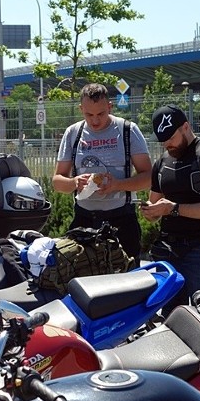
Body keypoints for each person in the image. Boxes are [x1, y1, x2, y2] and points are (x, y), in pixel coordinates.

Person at [140, 104, 200, 313]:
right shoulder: (161, 162)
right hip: (168, 250)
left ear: (186, 127)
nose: (167, 144)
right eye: (162, 140)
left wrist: (174, 208)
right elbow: (155, 206)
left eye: (171, 137)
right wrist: (150, 211)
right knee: (170, 317)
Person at [52, 83, 152, 266]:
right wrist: (75, 182)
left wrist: (117, 185)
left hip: (121, 221)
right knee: (83, 284)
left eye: (101, 114)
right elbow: (57, 181)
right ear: (81, 109)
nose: (95, 121)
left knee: (126, 285)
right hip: (84, 221)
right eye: (89, 115)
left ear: (110, 107)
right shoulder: (73, 133)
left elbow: (148, 177)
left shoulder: (127, 130)